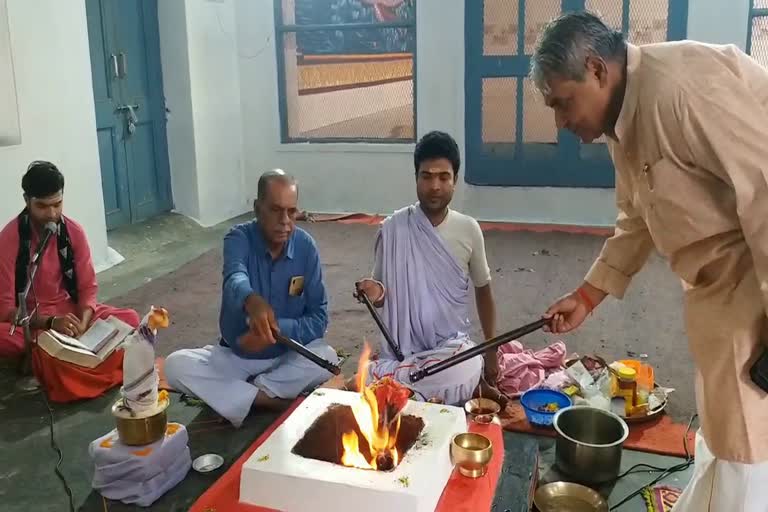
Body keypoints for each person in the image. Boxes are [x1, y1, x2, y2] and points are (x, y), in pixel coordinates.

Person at [531, 11, 768, 511]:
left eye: (562, 103)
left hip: (752, 280)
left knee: (749, 445)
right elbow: (636, 217)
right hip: (715, 293)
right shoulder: (623, 121)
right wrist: (587, 295)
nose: (560, 122)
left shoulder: (682, 88)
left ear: (596, 69)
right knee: (728, 433)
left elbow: (765, 191)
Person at [164, 170, 338, 428]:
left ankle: (248, 393)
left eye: (291, 212)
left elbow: (319, 318)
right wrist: (251, 300)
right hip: (235, 357)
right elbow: (235, 276)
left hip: (287, 355)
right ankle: (267, 400)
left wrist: (276, 330)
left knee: (328, 358)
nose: (285, 221)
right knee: (175, 365)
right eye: (275, 210)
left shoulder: (305, 247)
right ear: (258, 209)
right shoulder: (239, 238)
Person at [353, 131, 502, 406]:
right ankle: (418, 387)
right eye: (427, 176)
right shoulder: (394, 228)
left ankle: (388, 383)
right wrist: (374, 292)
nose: (435, 186)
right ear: (416, 178)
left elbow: (484, 290)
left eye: (443, 177)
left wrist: (491, 349)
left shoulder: (468, 230)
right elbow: (383, 292)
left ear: (455, 180)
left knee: (466, 362)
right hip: (402, 352)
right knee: (460, 373)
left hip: (449, 349)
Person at [0, 161, 140, 359]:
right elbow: (5, 309)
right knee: (4, 337)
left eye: (57, 204)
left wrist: (82, 324)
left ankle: (55, 351)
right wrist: (50, 322)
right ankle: (54, 350)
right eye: (42, 206)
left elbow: (87, 289)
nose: (51, 214)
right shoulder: (8, 238)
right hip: (32, 322)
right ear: (27, 200)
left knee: (129, 318)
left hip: (70, 314)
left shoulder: (74, 233)